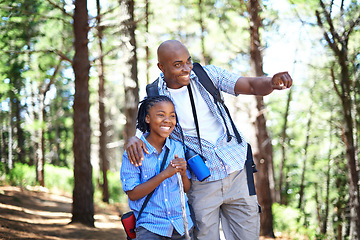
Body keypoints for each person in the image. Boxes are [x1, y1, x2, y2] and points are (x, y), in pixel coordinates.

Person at [125, 40, 293, 240]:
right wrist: (133, 139)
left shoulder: (207, 75)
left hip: (236, 169)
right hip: (201, 179)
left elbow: (249, 84)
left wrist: (271, 83)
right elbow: (148, 124)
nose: (187, 68)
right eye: (178, 65)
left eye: (188, 61)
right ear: (162, 67)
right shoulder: (155, 92)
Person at [121, 95, 194, 240]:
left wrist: (184, 173)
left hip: (181, 226)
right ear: (147, 118)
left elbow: (185, 188)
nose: (168, 120)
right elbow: (133, 194)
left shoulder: (178, 148)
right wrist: (164, 174)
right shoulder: (135, 152)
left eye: (172, 116)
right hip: (150, 227)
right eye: (161, 115)